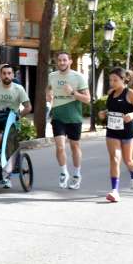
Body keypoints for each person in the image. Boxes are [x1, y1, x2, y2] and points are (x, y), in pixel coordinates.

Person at [98, 67, 133, 203]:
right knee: (115, 159)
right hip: (112, 130)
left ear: (123, 79)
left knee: (128, 161)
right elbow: (112, 110)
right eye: (110, 80)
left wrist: (132, 114)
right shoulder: (111, 93)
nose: (112, 83)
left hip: (127, 131)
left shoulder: (130, 93)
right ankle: (114, 191)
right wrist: (104, 113)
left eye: (115, 80)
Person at [45, 51, 91, 190]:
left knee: (74, 147)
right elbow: (48, 88)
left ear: (70, 61)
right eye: (59, 60)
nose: (62, 63)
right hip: (58, 116)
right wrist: (48, 94)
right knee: (59, 146)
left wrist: (72, 92)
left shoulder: (78, 77)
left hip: (74, 117)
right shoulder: (52, 76)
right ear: (57, 62)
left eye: (65, 60)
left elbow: (87, 99)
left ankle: (76, 175)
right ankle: (64, 172)